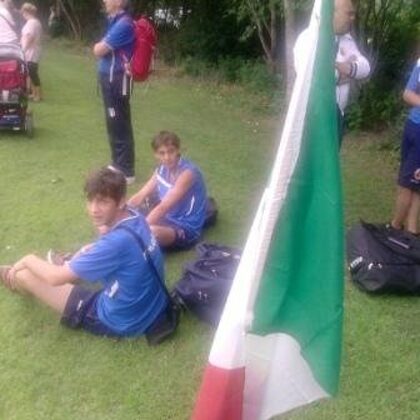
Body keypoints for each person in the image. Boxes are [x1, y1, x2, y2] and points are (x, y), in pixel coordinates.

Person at [0, 167, 169, 338]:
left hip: (125, 320)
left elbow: (55, 278)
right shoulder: (135, 216)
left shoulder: (114, 243)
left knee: (24, 274)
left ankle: (13, 280)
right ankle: (67, 265)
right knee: (87, 251)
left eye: (103, 202)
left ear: (120, 202)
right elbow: (113, 241)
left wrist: (27, 259)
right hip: (155, 304)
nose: (94, 209)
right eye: (90, 200)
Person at [294, 0, 370, 145]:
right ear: (332, 12)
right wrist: (349, 74)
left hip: (338, 115)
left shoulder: (346, 40)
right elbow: (316, 79)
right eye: (349, 14)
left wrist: (342, 68)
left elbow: (366, 68)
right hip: (314, 117)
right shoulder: (309, 39)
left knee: (332, 157)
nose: (353, 18)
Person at [128, 131, 208, 249]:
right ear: (156, 154)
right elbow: (140, 195)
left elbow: (163, 207)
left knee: (152, 232)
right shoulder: (161, 170)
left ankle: (129, 241)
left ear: (178, 150)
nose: (167, 157)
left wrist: (136, 230)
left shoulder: (188, 173)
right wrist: (120, 212)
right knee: (129, 216)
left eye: (171, 151)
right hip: (165, 219)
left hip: (185, 227)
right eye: (162, 153)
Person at [93, 0, 136, 185]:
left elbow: (98, 50)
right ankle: (118, 163)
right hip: (111, 79)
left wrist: (100, 45)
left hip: (116, 80)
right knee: (113, 122)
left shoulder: (124, 24)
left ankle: (127, 170)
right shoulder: (115, 21)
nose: (104, 1)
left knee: (120, 123)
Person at [390, 58, 420, 234]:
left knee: (407, 183)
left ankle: (395, 227)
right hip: (412, 126)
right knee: (411, 181)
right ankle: (411, 230)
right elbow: (407, 94)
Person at [20, 2, 42, 102]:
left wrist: (24, 48)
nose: (22, 15)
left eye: (22, 13)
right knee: (31, 72)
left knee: (33, 73)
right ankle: (34, 93)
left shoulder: (31, 23)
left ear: (25, 12)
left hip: (31, 52)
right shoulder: (35, 22)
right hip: (33, 51)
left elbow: (30, 37)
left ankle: (39, 95)